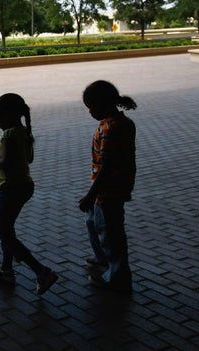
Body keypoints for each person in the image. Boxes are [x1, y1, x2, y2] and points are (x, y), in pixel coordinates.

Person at [0, 93, 58, 295]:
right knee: (8, 230)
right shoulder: (24, 133)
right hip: (25, 186)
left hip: (10, 189)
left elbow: (5, 164)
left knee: (4, 232)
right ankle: (6, 269)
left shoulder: (8, 135)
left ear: (6, 115)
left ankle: (41, 271)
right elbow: (27, 159)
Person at [78, 80, 136, 293]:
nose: (90, 112)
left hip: (109, 191)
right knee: (95, 223)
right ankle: (104, 263)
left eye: (91, 107)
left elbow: (107, 165)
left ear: (102, 104)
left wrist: (90, 195)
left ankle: (117, 277)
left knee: (111, 234)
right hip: (109, 189)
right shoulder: (120, 122)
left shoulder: (111, 128)